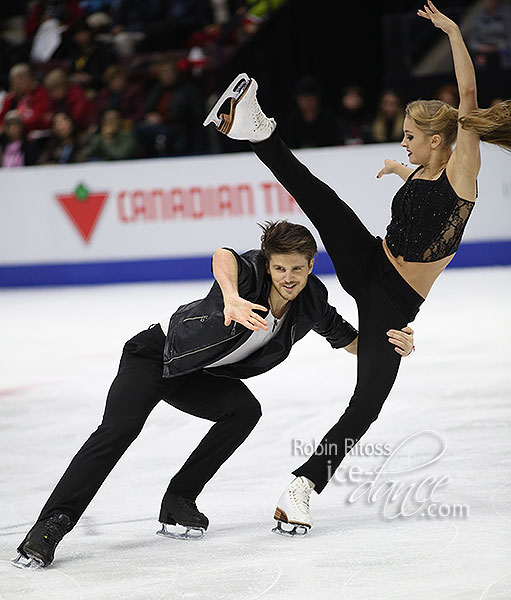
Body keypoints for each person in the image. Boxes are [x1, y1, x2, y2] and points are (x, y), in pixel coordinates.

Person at [204, 1, 511, 533]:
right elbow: (414, 207)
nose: (403, 141)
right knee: (318, 197)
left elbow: (466, 98)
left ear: (437, 141)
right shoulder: (419, 169)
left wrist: (455, 33)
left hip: (390, 303)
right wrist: (400, 169)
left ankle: (302, 486)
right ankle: (256, 128)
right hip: (369, 259)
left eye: (410, 137)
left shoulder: (463, 170)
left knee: (366, 402)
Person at [13, 220, 415, 568]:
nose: (288, 277)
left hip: (199, 376)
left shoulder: (312, 303)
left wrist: (392, 339)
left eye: (297, 268)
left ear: (311, 266)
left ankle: (179, 499)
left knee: (243, 410)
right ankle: (51, 525)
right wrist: (231, 298)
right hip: (157, 356)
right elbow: (223, 254)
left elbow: (351, 341)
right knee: (119, 429)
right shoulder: (249, 276)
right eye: (280, 267)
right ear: (267, 263)